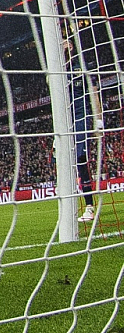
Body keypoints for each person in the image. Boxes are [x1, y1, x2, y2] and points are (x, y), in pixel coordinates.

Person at [64, 37, 103, 222]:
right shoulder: (57, 70)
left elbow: (93, 91)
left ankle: (89, 206)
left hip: (81, 117)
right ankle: (67, 205)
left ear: (70, 45)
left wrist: (98, 120)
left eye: (63, 43)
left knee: (81, 159)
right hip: (63, 121)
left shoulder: (81, 66)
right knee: (62, 162)